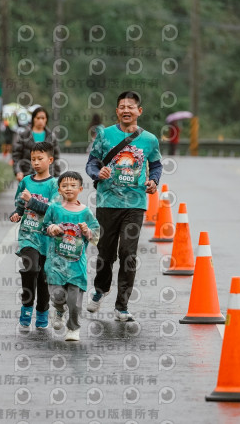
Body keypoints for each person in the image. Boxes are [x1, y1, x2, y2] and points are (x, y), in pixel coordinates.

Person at [85, 91, 163, 321]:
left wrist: (153, 181)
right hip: (107, 203)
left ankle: (122, 306)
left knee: (128, 253)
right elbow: (91, 163)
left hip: (135, 205)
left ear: (140, 111)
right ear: (117, 111)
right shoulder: (104, 135)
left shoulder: (149, 139)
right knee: (105, 254)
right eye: (122, 107)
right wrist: (98, 172)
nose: (126, 110)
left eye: (131, 106)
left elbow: (156, 165)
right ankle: (101, 289)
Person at [42, 171, 100, 341]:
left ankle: (73, 328)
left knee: (74, 302)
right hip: (55, 264)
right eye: (64, 186)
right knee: (57, 296)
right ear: (59, 189)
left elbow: (96, 234)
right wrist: (51, 227)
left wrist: (86, 231)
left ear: (80, 189)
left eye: (73, 185)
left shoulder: (86, 212)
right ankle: (59, 310)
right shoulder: (54, 208)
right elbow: (44, 225)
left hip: (76, 265)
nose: (69, 189)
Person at [10, 142, 59, 329]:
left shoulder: (54, 185)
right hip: (28, 236)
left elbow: (53, 211)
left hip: (48, 239)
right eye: (33, 159)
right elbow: (20, 203)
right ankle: (27, 305)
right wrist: (17, 213)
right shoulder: (26, 182)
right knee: (31, 269)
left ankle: (42, 310)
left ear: (50, 160)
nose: (36, 163)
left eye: (40, 159)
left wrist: (32, 202)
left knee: (44, 277)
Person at [12, 107, 61, 181]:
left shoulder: (51, 137)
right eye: (38, 118)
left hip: (47, 177)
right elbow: (16, 157)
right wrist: (18, 171)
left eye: (43, 118)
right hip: (27, 176)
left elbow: (56, 157)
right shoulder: (24, 135)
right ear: (33, 119)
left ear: (46, 119)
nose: (40, 121)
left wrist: (57, 176)